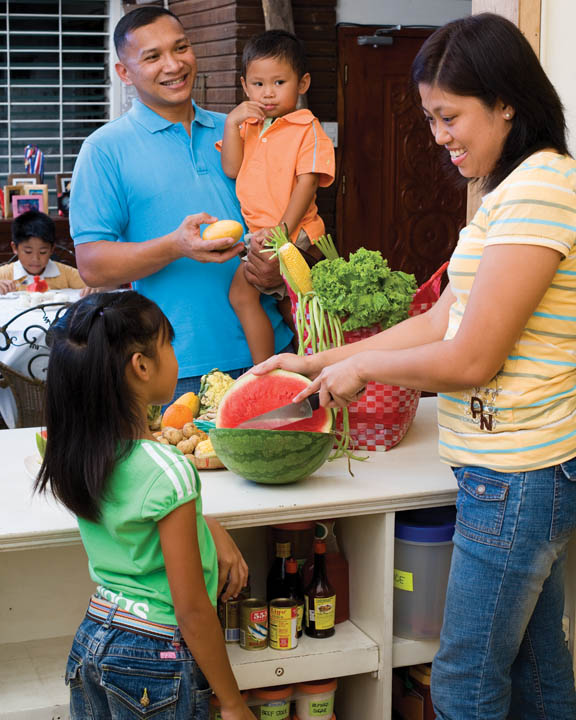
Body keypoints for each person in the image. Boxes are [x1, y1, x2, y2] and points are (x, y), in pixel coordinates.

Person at [252, 13, 576, 720]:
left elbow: (471, 356)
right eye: (430, 118)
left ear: (506, 101)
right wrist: (315, 360)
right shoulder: (509, 190)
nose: (439, 137)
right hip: (515, 473)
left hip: (519, 476)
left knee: (462, 680)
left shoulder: (541, 189)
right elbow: (437, 321)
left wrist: (365, 375)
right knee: (537, 665)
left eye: (448, 116)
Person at [35, 290, 256, 720]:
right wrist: (232, 703)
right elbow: (191, 610)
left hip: (94, 637)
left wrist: (207, 525)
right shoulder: (168, 468)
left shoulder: (76, 454)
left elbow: (134, 516)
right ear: (141, 366)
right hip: (156, 655)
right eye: (168, 344)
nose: (175, 355)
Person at [69, 7, 292, 397]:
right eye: (153, 56)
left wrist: (279, 270)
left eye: (181, 48)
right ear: (124, 73)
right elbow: (92, 266)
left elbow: (286, 223)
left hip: (274, 353)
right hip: (175, 369)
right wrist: (177, 245)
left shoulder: (244, 130)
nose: (173, 65)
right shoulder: (104, 150)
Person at [219, 30, 335, 363]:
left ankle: (305, 367)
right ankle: (272, 371)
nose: (268, 93)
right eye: (258, 84)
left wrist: (282, 232)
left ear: (303, 83)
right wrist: (232, 123)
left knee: (295, 308)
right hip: (262, 237)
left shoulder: (307, 127)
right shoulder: (249, 126)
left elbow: (307, 184)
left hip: (292, 234)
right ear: (244, 86)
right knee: (259, 300)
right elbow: (231, 167)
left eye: (279, 82)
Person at [0, 210, 89, 295]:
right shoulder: (5, 274)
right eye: (28, 252)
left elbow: (95, 285)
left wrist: (95, 287)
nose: (35, 258)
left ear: (52, 249)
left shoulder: (66, 274)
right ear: (15, 248)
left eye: (43, 252)